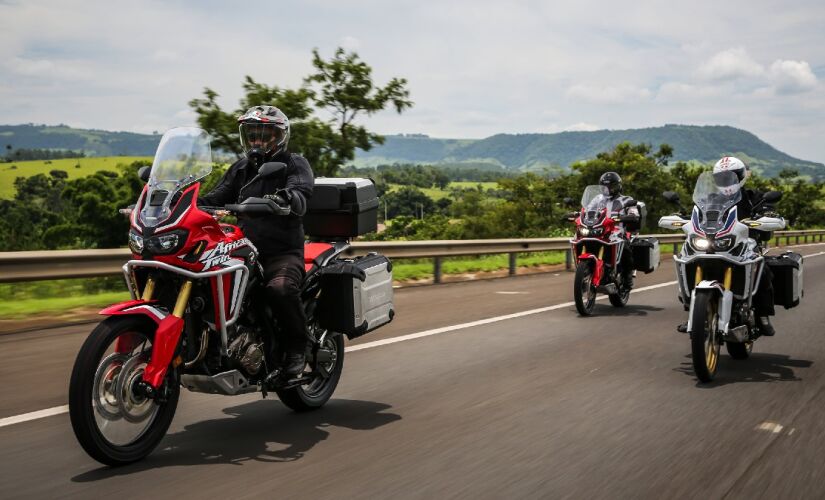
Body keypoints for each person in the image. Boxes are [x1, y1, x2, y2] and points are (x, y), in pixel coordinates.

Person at [198, 105, 315, 374]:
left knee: (280, 289)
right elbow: (215, 199)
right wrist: (180, 202)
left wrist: (285, 198)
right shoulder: (241, 168)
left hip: (281, 252)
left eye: (264, 135)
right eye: (252, 135)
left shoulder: (294, 164)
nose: (257, 141)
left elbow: (301, 192)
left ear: (279, 137)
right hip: (242, 249)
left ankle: (299, 346)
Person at [714, 156, 777, 336]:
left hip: (746, 244)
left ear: (741, 176)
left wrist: (767, 214)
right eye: (722, 177)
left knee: (762, 269)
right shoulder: (712, 198)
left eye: (731, 176)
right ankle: (695, 311)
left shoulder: (752, 198)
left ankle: (763, 315)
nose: (727, 181)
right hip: (718, 243)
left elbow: (767, 210)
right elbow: (697, 213)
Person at [598, 172, 639, 289]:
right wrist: (577, 214)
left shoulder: (626, 200)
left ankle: (627, 277)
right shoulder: (598, 199)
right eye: (605, 187)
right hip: (601, 230)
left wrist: (628, 216)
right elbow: (587, 209)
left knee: (625, 247)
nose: (607, 189)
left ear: (617, 186)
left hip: (618, 232)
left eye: (611, 186)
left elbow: (634, 213)